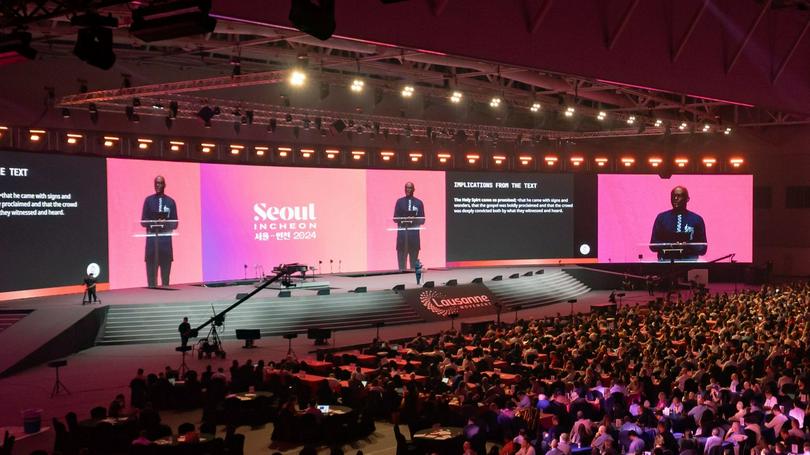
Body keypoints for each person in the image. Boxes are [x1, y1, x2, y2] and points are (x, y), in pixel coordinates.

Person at [649, 186, 707, 261]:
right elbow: (653, 245)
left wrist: (687, 246)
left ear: (687, 199)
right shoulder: (661, 218)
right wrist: (671, 245)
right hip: (665, 263)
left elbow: (703, 248)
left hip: (690, 263)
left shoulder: (697, 219)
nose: (675, 199)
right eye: (673, 196)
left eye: (679, 196)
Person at [141, 175, 178, 287]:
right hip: (152, 245)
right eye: (156, 183)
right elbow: (143, 221)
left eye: (160, 183)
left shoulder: (171, 202)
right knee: (151, 282)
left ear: (164, 185)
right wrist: (154, 222)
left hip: (165, 245)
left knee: (165, 280)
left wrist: (164, 223)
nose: (158, 185)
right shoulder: (148, 201)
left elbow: (175, 223)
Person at [393, 181, 425, 271]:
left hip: (414, 238)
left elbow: (423, 220)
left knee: (413, 267)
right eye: (406, 187)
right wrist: (404, 218)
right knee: (401, 267)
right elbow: (395, 218)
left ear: (414, 189)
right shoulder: (399, 202)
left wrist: (414, 219)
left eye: (410, 188)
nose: (408, 189)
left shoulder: (419, 203)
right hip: (402, 237)